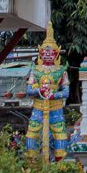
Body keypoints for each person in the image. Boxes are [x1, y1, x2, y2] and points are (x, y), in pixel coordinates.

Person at [25, 22, 70, 160]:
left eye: (51, 53)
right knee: (32, 135)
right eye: (45, 52)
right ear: (40, 53)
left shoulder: (61, 71)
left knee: (60, 136)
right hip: (38, 107)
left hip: (55, 108)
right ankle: (33, 165)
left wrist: (54, 95)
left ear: (56, 54)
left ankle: (60, 166)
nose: (48, 55)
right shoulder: (35, 70)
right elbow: (28, 90)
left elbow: (66, 92)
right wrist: (39, 91)